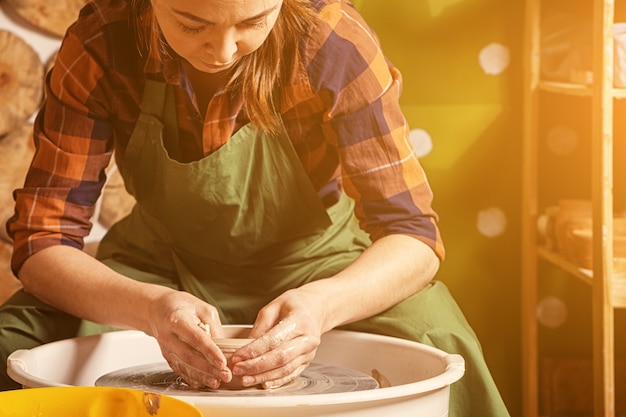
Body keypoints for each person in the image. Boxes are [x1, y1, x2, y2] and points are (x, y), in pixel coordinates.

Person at [0, 0, 510, 415]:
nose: (222, 50)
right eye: (191, 22)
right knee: (13, 342)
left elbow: (413, 236)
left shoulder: (334, 43)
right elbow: (42, 242)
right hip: (158, 265)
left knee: (440, 339)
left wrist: (322, 306)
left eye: (252, 22)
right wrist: (150, 308)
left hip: (319, 264)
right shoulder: (100, 42)